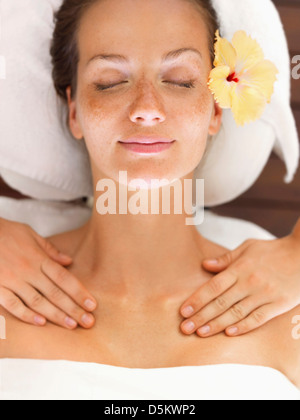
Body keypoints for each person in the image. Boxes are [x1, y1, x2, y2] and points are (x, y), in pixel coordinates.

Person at [1, 0, 300, 401]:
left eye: (179, 80)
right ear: (73, 110)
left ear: (215, 109)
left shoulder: (285, 317)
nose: (146, 109)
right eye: (109, 82)